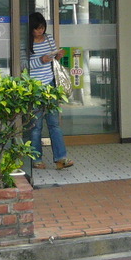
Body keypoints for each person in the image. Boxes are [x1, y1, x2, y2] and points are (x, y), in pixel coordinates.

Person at [27, 11, 73, 170]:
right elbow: (23, 65)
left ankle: (61, 158)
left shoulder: (49, 39)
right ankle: (36, 159)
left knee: (54, 124)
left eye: (42, 27)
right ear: (31, 29)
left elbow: (53, 60)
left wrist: (57, 55)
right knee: (36, 126)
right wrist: (41, 60)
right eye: (37, 28)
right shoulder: (26, 43)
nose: (40, 31)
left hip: (50, 85)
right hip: (34, 87)